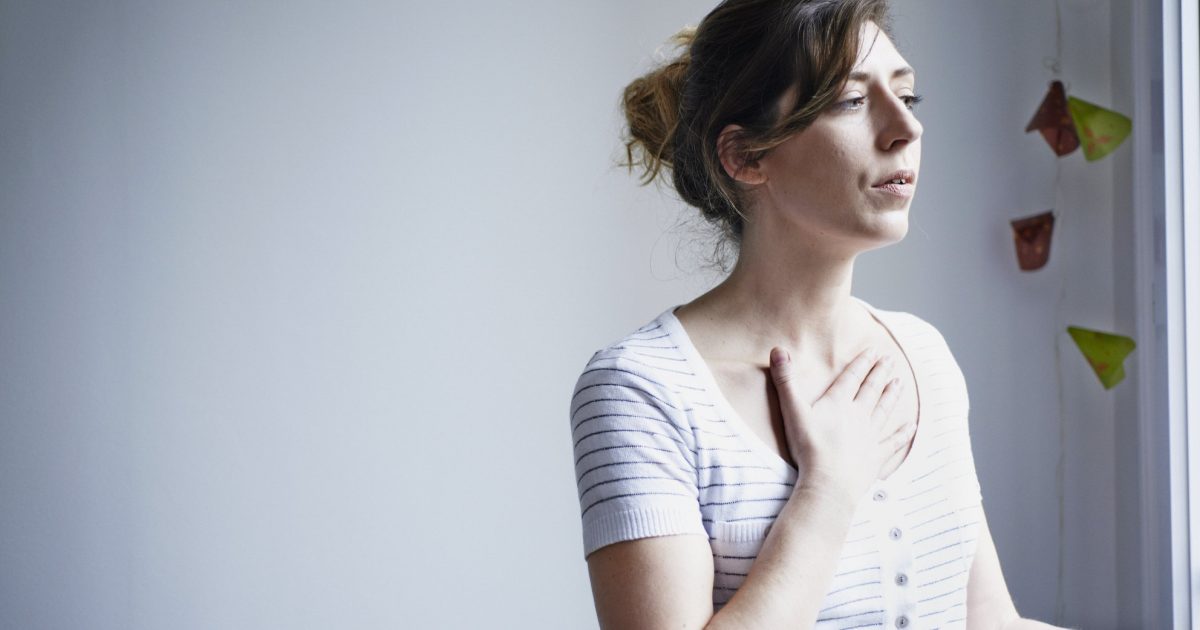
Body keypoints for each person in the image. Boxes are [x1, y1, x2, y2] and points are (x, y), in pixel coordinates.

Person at [568, 1, 1070, 628]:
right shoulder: (642, 391)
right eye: (851, 101)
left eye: (907, 96)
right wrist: (828, 492)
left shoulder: (923, 356)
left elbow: (988, 620)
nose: (906, 129)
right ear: (746, 156)